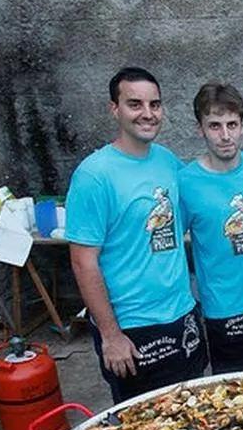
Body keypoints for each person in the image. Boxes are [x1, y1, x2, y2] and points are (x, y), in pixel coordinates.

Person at [66, 66, 206, 404]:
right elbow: (83, 262)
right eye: (135, 104)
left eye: (154, 105)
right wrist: (111, 335)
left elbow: (208, 181)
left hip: (182, 314)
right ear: (114, 109)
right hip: (132, 327)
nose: (147, 113)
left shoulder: (166, 161)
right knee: (145, 424)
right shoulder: (94, 176)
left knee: (197, 414)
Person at [178, 82, 243, 374]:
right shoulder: (185, 182)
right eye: (214, 126)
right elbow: (171, 246)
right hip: (223, 307)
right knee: (235, 394)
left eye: (232, 125)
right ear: (200, 129)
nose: (224, 135)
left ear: (242, 126)